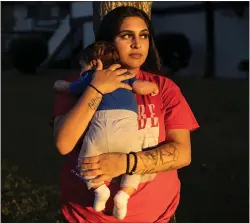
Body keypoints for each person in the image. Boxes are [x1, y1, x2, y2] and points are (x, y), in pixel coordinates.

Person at [52, 6, 199, 223]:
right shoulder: (80, 83)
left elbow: (183, 153)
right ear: (108, 43)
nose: (137, 43)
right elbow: (63, 143)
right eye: (126, 35)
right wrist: (97, 88)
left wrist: (126, 163)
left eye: (144, 35)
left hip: (155, 216)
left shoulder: (163, 88)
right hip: (87, 217)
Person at [53, 40, 158, 220]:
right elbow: (140, 87)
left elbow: (67, 88)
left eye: (82, 67)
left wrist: (58, 84)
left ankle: (99, 189)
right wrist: (153, 88)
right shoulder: (124, 74)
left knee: (85, 162)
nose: (81, 71)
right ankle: (124, 195)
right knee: (135, 166)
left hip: (101, 130)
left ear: (93, 64)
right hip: (128, 132)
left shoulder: (92, 76)